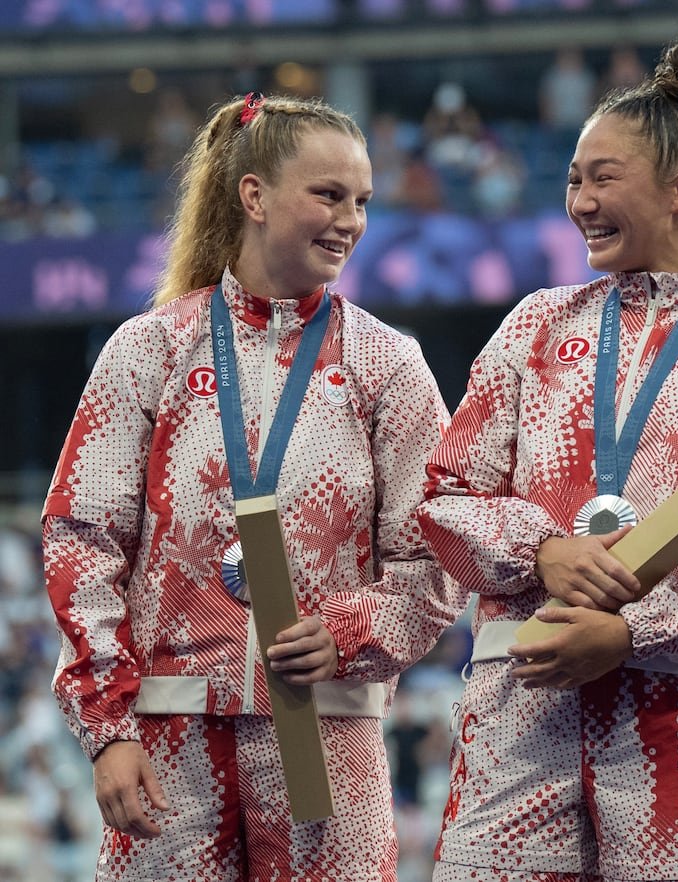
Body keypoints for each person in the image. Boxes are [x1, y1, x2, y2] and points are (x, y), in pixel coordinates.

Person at [419, 42, 678, 881]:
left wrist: (633, 633)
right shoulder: (534, 325)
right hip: (520, 707)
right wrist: (542, 550)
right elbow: (445, 493)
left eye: (603, 178)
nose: (580, 202)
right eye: (573, 180)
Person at [42, 92, 463, 880]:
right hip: (166, 743)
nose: (351, 220)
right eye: (329, 195)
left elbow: (436, 556)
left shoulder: (387, 364)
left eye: (363, 201)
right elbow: (80, 539)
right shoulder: (149, 350)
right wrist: (109, 729)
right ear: (255, 196)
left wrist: (351, 628)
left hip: (326, 733)